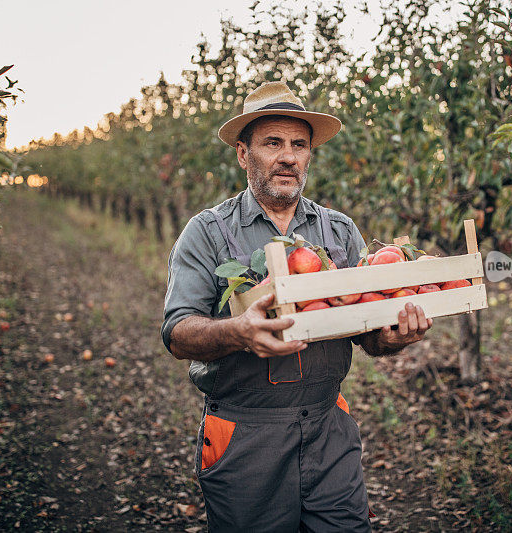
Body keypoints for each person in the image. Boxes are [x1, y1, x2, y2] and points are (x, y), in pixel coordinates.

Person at [161, 81, 432, 532]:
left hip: (329, 428)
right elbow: (177, 332)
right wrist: (237, 331)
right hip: (246, 436)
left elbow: (365, 330)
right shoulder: (207, 233)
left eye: (298, 145)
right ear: (243, 154)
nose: (288, 156)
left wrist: (392, 337)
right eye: (272, 143)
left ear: (308, 156)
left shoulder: (339, 232)